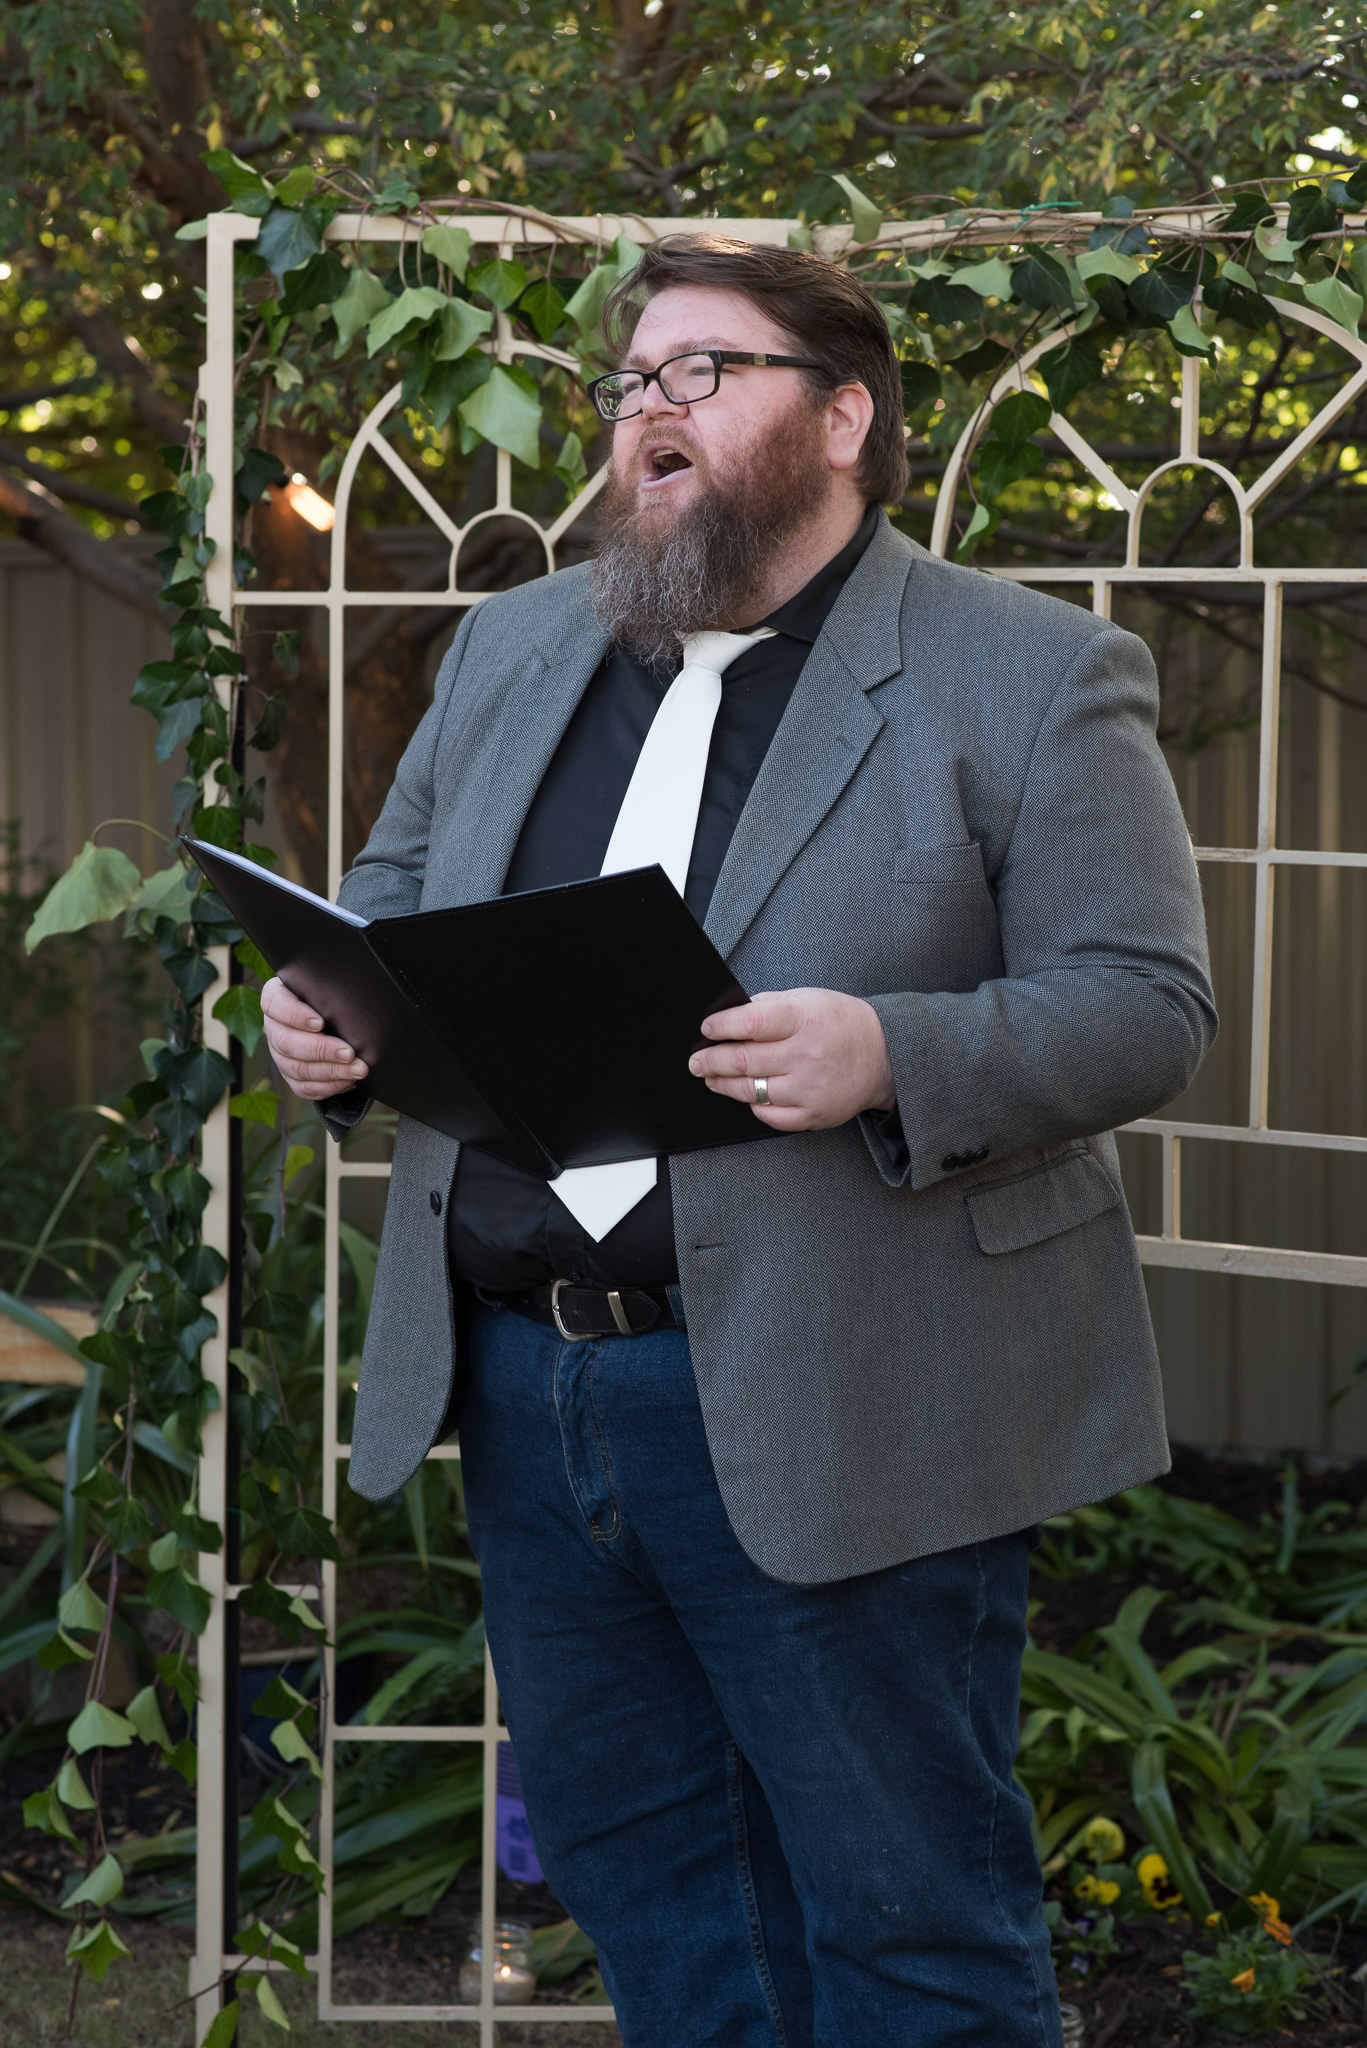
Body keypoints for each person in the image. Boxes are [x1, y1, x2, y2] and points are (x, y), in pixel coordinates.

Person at [262, 233, 1216, 2047]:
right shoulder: (514, 645)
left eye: (701, 372)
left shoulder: (1031, 675)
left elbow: (1147, 1004)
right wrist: (326, 1017)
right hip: (533, 1399)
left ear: (843, 416)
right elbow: (385, 909)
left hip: (857, 1388)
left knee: (910, 1927)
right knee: (660, 1912)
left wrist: (894, 1050)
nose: (645, 411)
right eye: (631, 382)